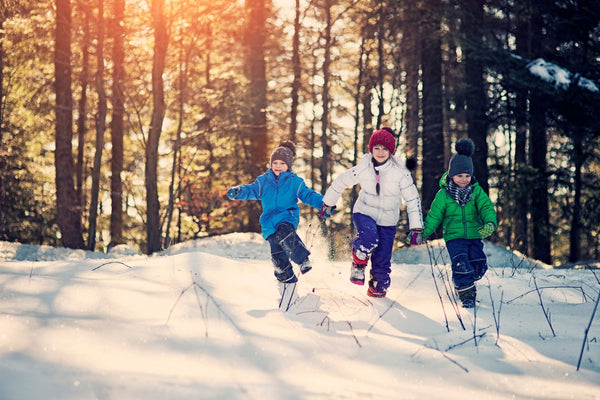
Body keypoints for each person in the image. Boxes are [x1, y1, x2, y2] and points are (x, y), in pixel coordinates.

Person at [320, 127, 424, 298]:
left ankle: (378, 288)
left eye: (385, 148)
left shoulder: (400, 172)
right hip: (364, 212)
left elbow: (412, 199)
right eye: (377, 148)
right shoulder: (363, 167)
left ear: (391, 151)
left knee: (382, 260)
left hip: (388, 220)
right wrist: (328, 203)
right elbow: (340, 182)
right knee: (369, 238)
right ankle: (359, 263)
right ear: (371, 149)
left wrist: (416, 228)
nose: (380, 152)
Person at [227, 141, 325, 285]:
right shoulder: (263, 181)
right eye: (275, 163)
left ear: (289, 165)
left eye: (282, 163)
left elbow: (308, 195)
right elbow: (251, 190)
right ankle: (286, 278)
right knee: (277, 254)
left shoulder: (294, 182)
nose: (278, 166)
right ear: (271, 163)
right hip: (269, 223)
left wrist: (324, 204)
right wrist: (239, 191)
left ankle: (303, 259)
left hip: (287, 218)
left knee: (284, 233)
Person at [422, 138, 497, 308]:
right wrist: (424, 232)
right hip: (454, 237)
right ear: (451, 175)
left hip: (474, 234)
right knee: (461, 262)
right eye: (459, 175)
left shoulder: (476, 191)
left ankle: (466, 279)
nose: (463, 179)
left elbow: (487, 208)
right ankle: (466, 293)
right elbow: (434, 215)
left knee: (479, 264)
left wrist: (490, 223)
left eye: (467, 175)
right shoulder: (444, 195)